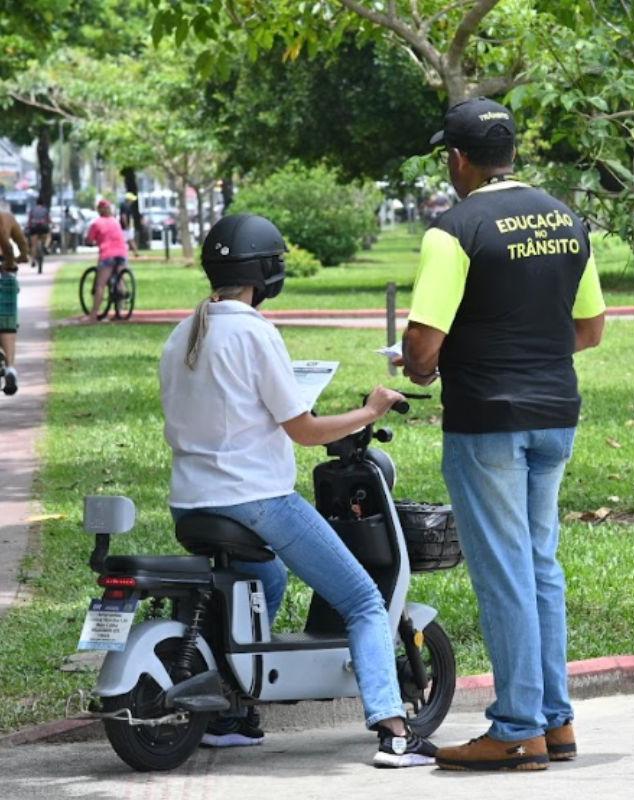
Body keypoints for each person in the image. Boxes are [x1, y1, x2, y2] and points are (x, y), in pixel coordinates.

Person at [159, 213, 438, 767]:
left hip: (192, 502)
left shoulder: (184, 331)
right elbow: (304, 431)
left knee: (264, 577)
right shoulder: (255, 332)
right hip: (256, 500)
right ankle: (394, 731)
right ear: (266, 273)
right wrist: (370, 409)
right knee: (362, 599)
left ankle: (231, 712)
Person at [399, 97, 606, 772]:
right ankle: (556, 720)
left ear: (457, 160)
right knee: (541, 565)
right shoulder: (566, 219)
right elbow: (588, 329)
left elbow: (424, 346)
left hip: (487, 419)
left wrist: (423, 367)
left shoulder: (453, 230)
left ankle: (516, 728)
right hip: (556, 415)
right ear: (509, 154)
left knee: (505, 573)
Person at [0, 210, 30, 395]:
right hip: (6, 275)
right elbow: (20, 245)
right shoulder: (7, 217)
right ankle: (10, 368)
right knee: (7, 324)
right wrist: (19, 258)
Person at [84, 199, 128, 322]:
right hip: (122, 253)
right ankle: (120, 311)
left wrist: (90, 243)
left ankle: (93, 316)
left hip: (107, 255)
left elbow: (89, 240)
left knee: (100, 285)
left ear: (99, 210)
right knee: (120, 280)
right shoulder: (115, 222)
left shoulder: (96, 223)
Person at [119, 192, 139, 256]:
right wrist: (126, 225)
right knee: (128, 240)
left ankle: (134, 253)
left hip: (127, 226)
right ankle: (134, 253)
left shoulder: (126, 206)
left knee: (128, 240)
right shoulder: (125, 206)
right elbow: (124, 216)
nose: (132, 201)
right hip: (126, 227)